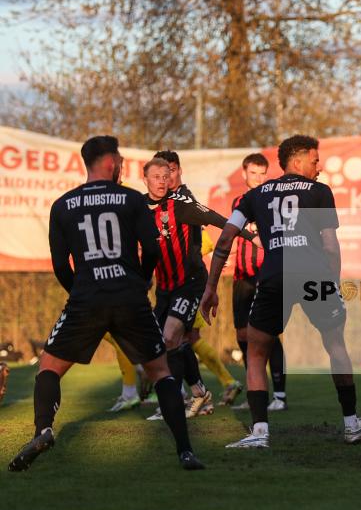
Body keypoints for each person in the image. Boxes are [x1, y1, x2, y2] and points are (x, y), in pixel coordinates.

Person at [8, 136, 203, 471]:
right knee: (161, 373)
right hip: (129, 296)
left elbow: (59, 264)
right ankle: (185, 451)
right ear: (110, 163)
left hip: (86, 298)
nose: (123, 164)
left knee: (49, 368)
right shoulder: (131, 199)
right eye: (121, 159)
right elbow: (152, 250)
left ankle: (43, 430)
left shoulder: (62, 204)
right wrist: (141, 282)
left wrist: (79, 289)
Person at [200, 135, 361, 447]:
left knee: (255, 352)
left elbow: (225, 239)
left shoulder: (255, 196)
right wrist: (332, 285)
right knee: (335, 346)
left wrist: (211, 288)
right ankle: (351, 424)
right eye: (315, 160)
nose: (319, 167)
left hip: (275, 276)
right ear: (298, 160)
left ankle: (259, 433)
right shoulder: (320, 192)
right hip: (314, 275)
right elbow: (331, 247)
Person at [143, 155, 257, 421]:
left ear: (176, 173)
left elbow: (219, 220)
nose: (163, 180)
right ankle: (199, 392)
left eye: (167, 174)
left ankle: (173, 402)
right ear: (145, 178)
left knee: (173, 336)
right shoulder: (139, 206)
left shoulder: (181, 203)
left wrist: (252, 237)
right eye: (158, 175)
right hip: (164, 288)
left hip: (190, 283)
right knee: (168, 344)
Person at [223, 153, 288, 411]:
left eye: (263, 173)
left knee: (267, 334)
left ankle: (280, 397)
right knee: (242, 334)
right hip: (241, 277)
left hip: (266, 274)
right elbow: (234, 234)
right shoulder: (238, 202)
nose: (258, 178)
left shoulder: (273, 201)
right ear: (244, 174)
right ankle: (255, 389)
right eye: (253, 173)